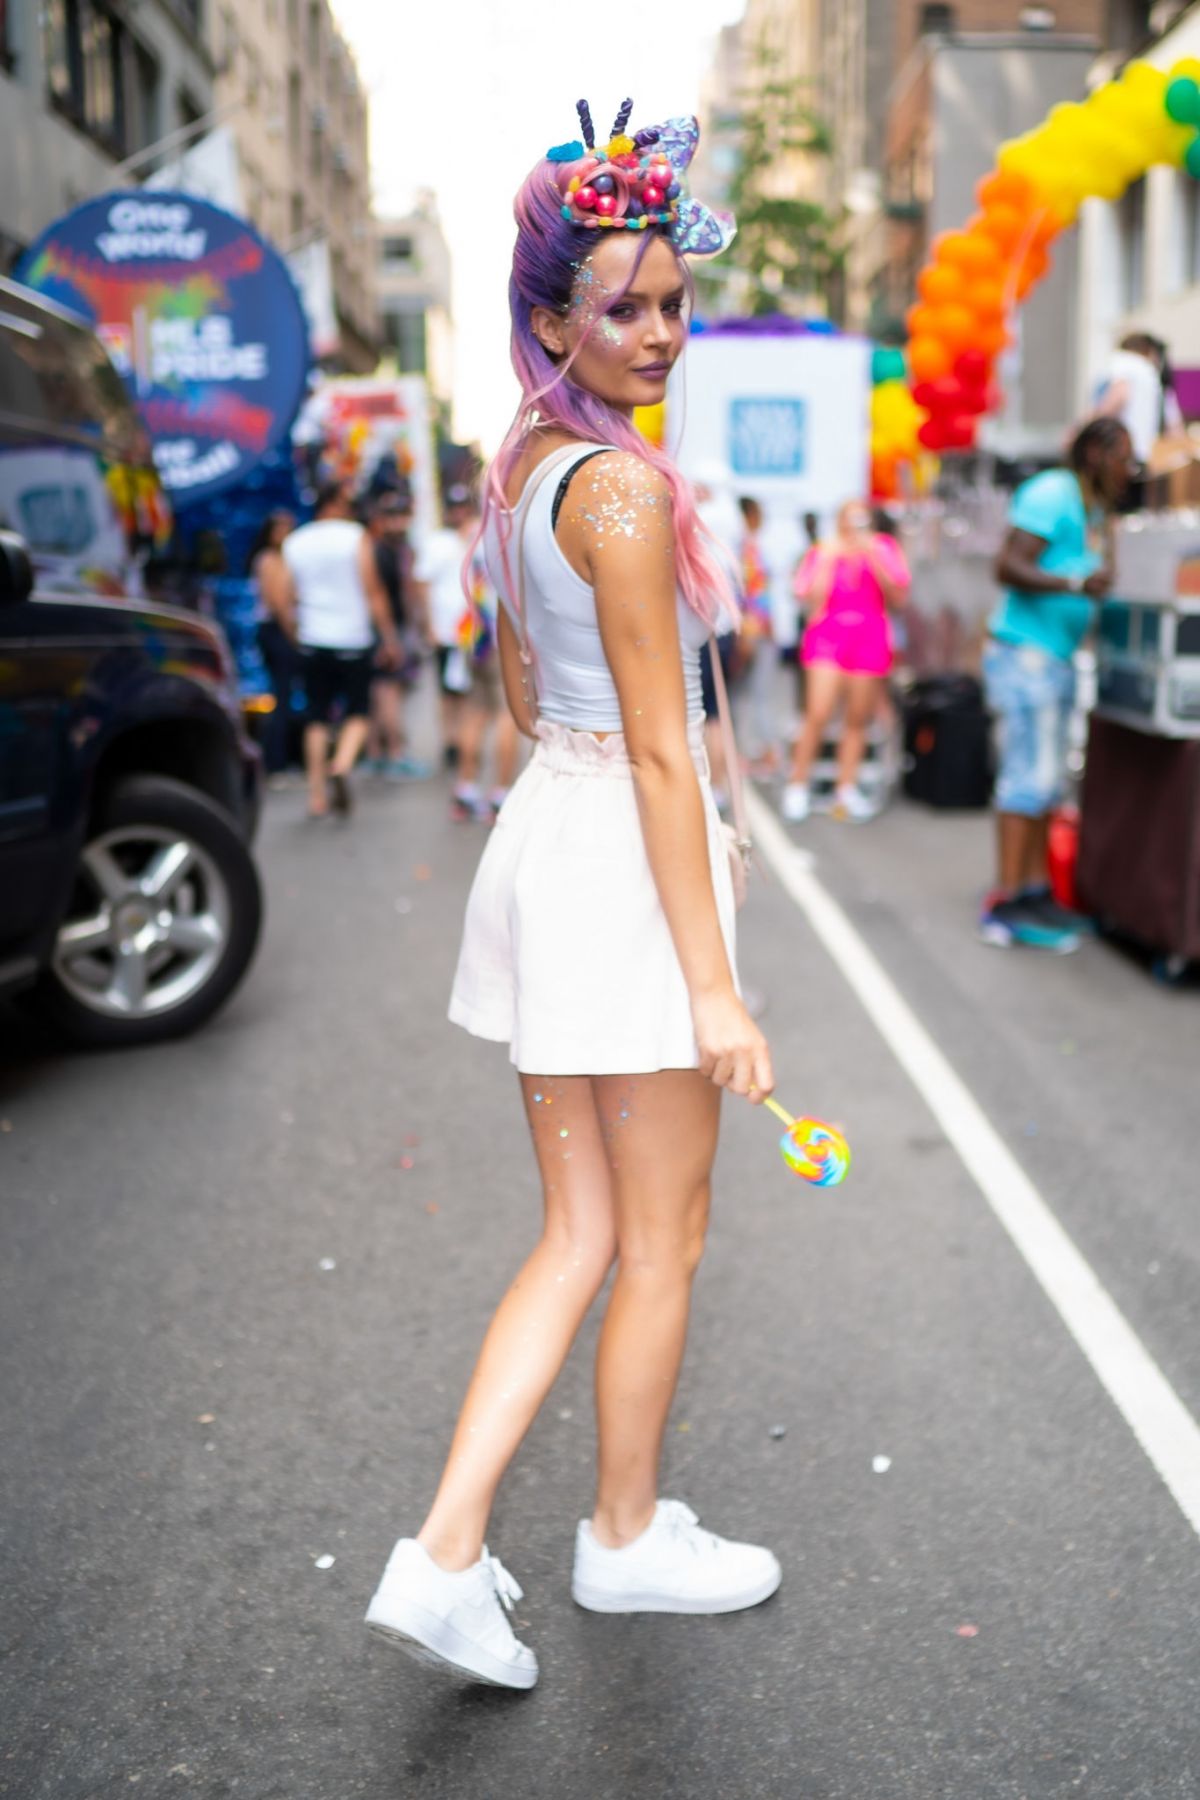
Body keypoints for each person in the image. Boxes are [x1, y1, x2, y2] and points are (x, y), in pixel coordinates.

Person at [364, 102, 778, 1691]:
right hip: (622, 867)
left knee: (576, 1236)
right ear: (552, 319)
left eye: (675, 301)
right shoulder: (618, 493)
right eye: (624, 305)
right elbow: (668, 767)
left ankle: (447, 1555)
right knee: (658, 1238)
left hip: (557, 846)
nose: (660, 330)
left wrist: (624, 762)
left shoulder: (528, 468)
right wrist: (719, 991)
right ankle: (618, 1538)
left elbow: (535, 708)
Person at [980, 417, 1133, 952]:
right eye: (1122, 458)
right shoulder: (1052, 492)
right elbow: (1007, 566)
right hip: (1027, 656)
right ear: (1094, 454)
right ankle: (1006, 904)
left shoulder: (1092, 507)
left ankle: (1036, 889)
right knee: (1026, 778)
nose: (1129, 470)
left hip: (1055, 659)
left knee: (1045, 782)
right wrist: (1074, 582)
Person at [782, 499, 910, 823]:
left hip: (869, 636)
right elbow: (806, 595)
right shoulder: (824, 550)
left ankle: (845, 788)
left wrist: (872, 554)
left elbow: (897, 594)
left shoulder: (883, 547)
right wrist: (827, 559)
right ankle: (797, 785)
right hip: (828, 636)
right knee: (818, 713)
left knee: (857, 718)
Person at [280, 481, 401, 820]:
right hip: (353, 639)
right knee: (358, 712)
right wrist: (389, 637)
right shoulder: (355, 537)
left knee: (316, 717)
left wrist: (295, 633)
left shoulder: (296, 541)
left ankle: (316, 794)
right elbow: (373, 591)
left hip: (312, 638)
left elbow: (286, 597)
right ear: (336, 503)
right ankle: (343, 762)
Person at [447, 508, 522, 821]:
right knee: (507, 714)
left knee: (475, 712)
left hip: (475, 635)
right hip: (500, 636)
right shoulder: (511, 534)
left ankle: (465, 789)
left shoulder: (472, 535)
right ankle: (499, 794)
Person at [413, 484, 479, 772]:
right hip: (445, 629)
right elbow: (422, 586)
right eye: (455, 509)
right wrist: (428, 626)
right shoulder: (436, 543)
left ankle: (465, 740)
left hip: (476, 631)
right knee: (447, 691)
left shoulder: (479, 538)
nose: (459, 514)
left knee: (469, 691)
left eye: (464, 508)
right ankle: (450, 740)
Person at [366, 490, 430, 781]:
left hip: (391, 629)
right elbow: (380, 595)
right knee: (388, 692)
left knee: (383, 692)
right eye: (392, 516)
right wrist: (390, 637)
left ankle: (380, 753)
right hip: (387, 630)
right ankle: (393, 753)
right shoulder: (380, 551)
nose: (398, 523)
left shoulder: (395, 550)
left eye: (401, 516)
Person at [247, 510, 297, 782]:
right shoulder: (269, 560)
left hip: (278, 630)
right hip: (276, 631)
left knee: (283, 694)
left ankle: (279, 758)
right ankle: (276, 761)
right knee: (282, 695)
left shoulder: (281, 559)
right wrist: (292, 635)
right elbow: (278, 602)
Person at [736, 496, 778, 773]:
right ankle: (753, 751)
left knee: (752, 694)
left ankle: (759, 750)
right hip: (752, 631)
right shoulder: (744, 549)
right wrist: (751, 632)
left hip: (755, 629)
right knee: (748, 694)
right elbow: (751, 594)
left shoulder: (749, 547)